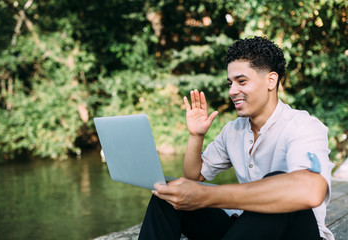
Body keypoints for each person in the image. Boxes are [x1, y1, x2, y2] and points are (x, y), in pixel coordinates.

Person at [138, 36, 335, 240]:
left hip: (296, 234)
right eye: (230, 83)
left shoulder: (303, 126)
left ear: (271, 80)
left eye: (241, 81)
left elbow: (311, 190)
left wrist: (208, 196)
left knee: (277, 183)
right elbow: (193, 178)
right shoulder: (233, 130)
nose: (232, 91)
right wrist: (196, 135)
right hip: (247, 229)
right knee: (168, 196)